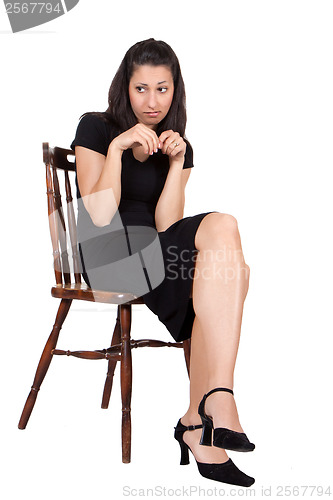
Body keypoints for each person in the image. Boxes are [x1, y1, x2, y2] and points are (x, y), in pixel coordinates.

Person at [71, 38, 255, 487]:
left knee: (224, 234)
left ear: (176, 91)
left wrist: (175, 165)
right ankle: (204, 416)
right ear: (125, 88)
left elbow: (168, 224)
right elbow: (98, 214)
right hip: (108, 253)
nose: (151, 102)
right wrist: (116, 149)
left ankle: (211, 403)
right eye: (141, 89)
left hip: (156, 251)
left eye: (162, 89)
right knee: (230, 276)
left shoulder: (179, 145)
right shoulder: (96, 127)